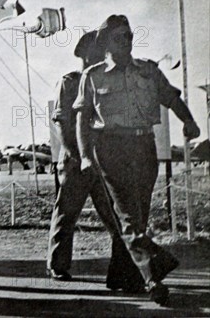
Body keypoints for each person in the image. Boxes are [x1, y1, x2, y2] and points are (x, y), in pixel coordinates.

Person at [74, 15, 200, 305]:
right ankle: (152, 277)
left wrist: (189, 120)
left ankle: (122, 276)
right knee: (129, 217)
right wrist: (84, 156)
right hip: (110, 148)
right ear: (106, 43)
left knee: (137, 215)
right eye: (120, 37)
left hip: (144, 146)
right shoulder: (93, 76)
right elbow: (82, 119)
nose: (127, 41)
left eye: (129, 35)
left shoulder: (148, 70)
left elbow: (171, 97)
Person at [47, 31, 144, 292]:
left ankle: (123, 271)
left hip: (102, 161)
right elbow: (63, 124)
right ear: (86, 54)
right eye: (99, 50)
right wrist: (77, 155)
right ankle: (58, 265)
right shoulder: (69, 82)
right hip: (74, 161)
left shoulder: (102, 80)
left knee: (115, 217)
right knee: (66, 215)